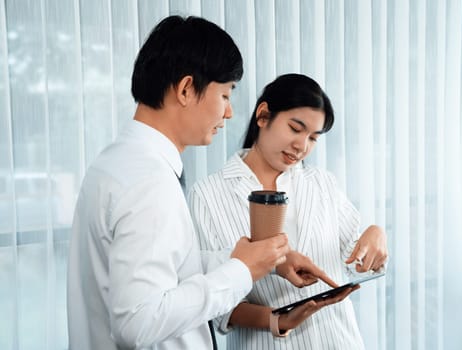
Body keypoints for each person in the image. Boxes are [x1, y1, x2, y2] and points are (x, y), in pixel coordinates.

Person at [67, 17, 328, 350]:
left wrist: (253, 260)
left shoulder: (116, 163)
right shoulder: (149, 183)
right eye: (225, 94)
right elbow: (137, 322)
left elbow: (167, 270)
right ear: (187, 89)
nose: (230, 112)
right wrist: (241, 271)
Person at [188, 73, 388, 349]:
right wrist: (278, 321)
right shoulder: (209, 194)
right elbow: (218, 304)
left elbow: (355, 260)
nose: (302, 147)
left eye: (313, 138)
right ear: (263, 115)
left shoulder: (321, 183)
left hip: (339, 340)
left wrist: (375, 234)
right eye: (295, 128)